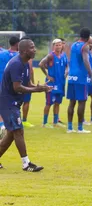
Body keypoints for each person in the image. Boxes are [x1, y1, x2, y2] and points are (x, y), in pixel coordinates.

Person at [0, 38, 52, 172]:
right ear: (23, 51)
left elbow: (27, 85)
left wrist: (40, 87)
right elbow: (17, 87)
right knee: (18, 131)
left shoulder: (26, 63)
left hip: (14, 103)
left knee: (11, 134)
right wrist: (37, 90)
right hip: (8, 102)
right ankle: (26, 164)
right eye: (32, 47)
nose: (34, 50)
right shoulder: (16, 64)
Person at [66, 28, 92, 134]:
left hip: (71, 77)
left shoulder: (73, 45)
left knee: (72, 102)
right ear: (88, 37)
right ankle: (80, 128)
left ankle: (70, 127)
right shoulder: (85, 47)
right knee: (82, 102)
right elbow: (85, 60)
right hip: (81, 78)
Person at [39, 39, 67, 128]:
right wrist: (47, 75)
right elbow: (41, 64)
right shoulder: (51, 56)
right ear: (53, 46)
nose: (58, 46)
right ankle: (45, 123)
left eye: (60, 45)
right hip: (52, 84)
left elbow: (67, 66)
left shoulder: (63, 55)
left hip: (61, 82)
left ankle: (55, 121)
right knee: (48, 103)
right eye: (56, 45)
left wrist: (66, 71)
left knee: (58, 103)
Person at [0, 37, 20, 136]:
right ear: (17, 44)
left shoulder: (2, 54)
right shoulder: (19, 56)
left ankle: (2, 125)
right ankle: (7, 126)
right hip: (12, 85)